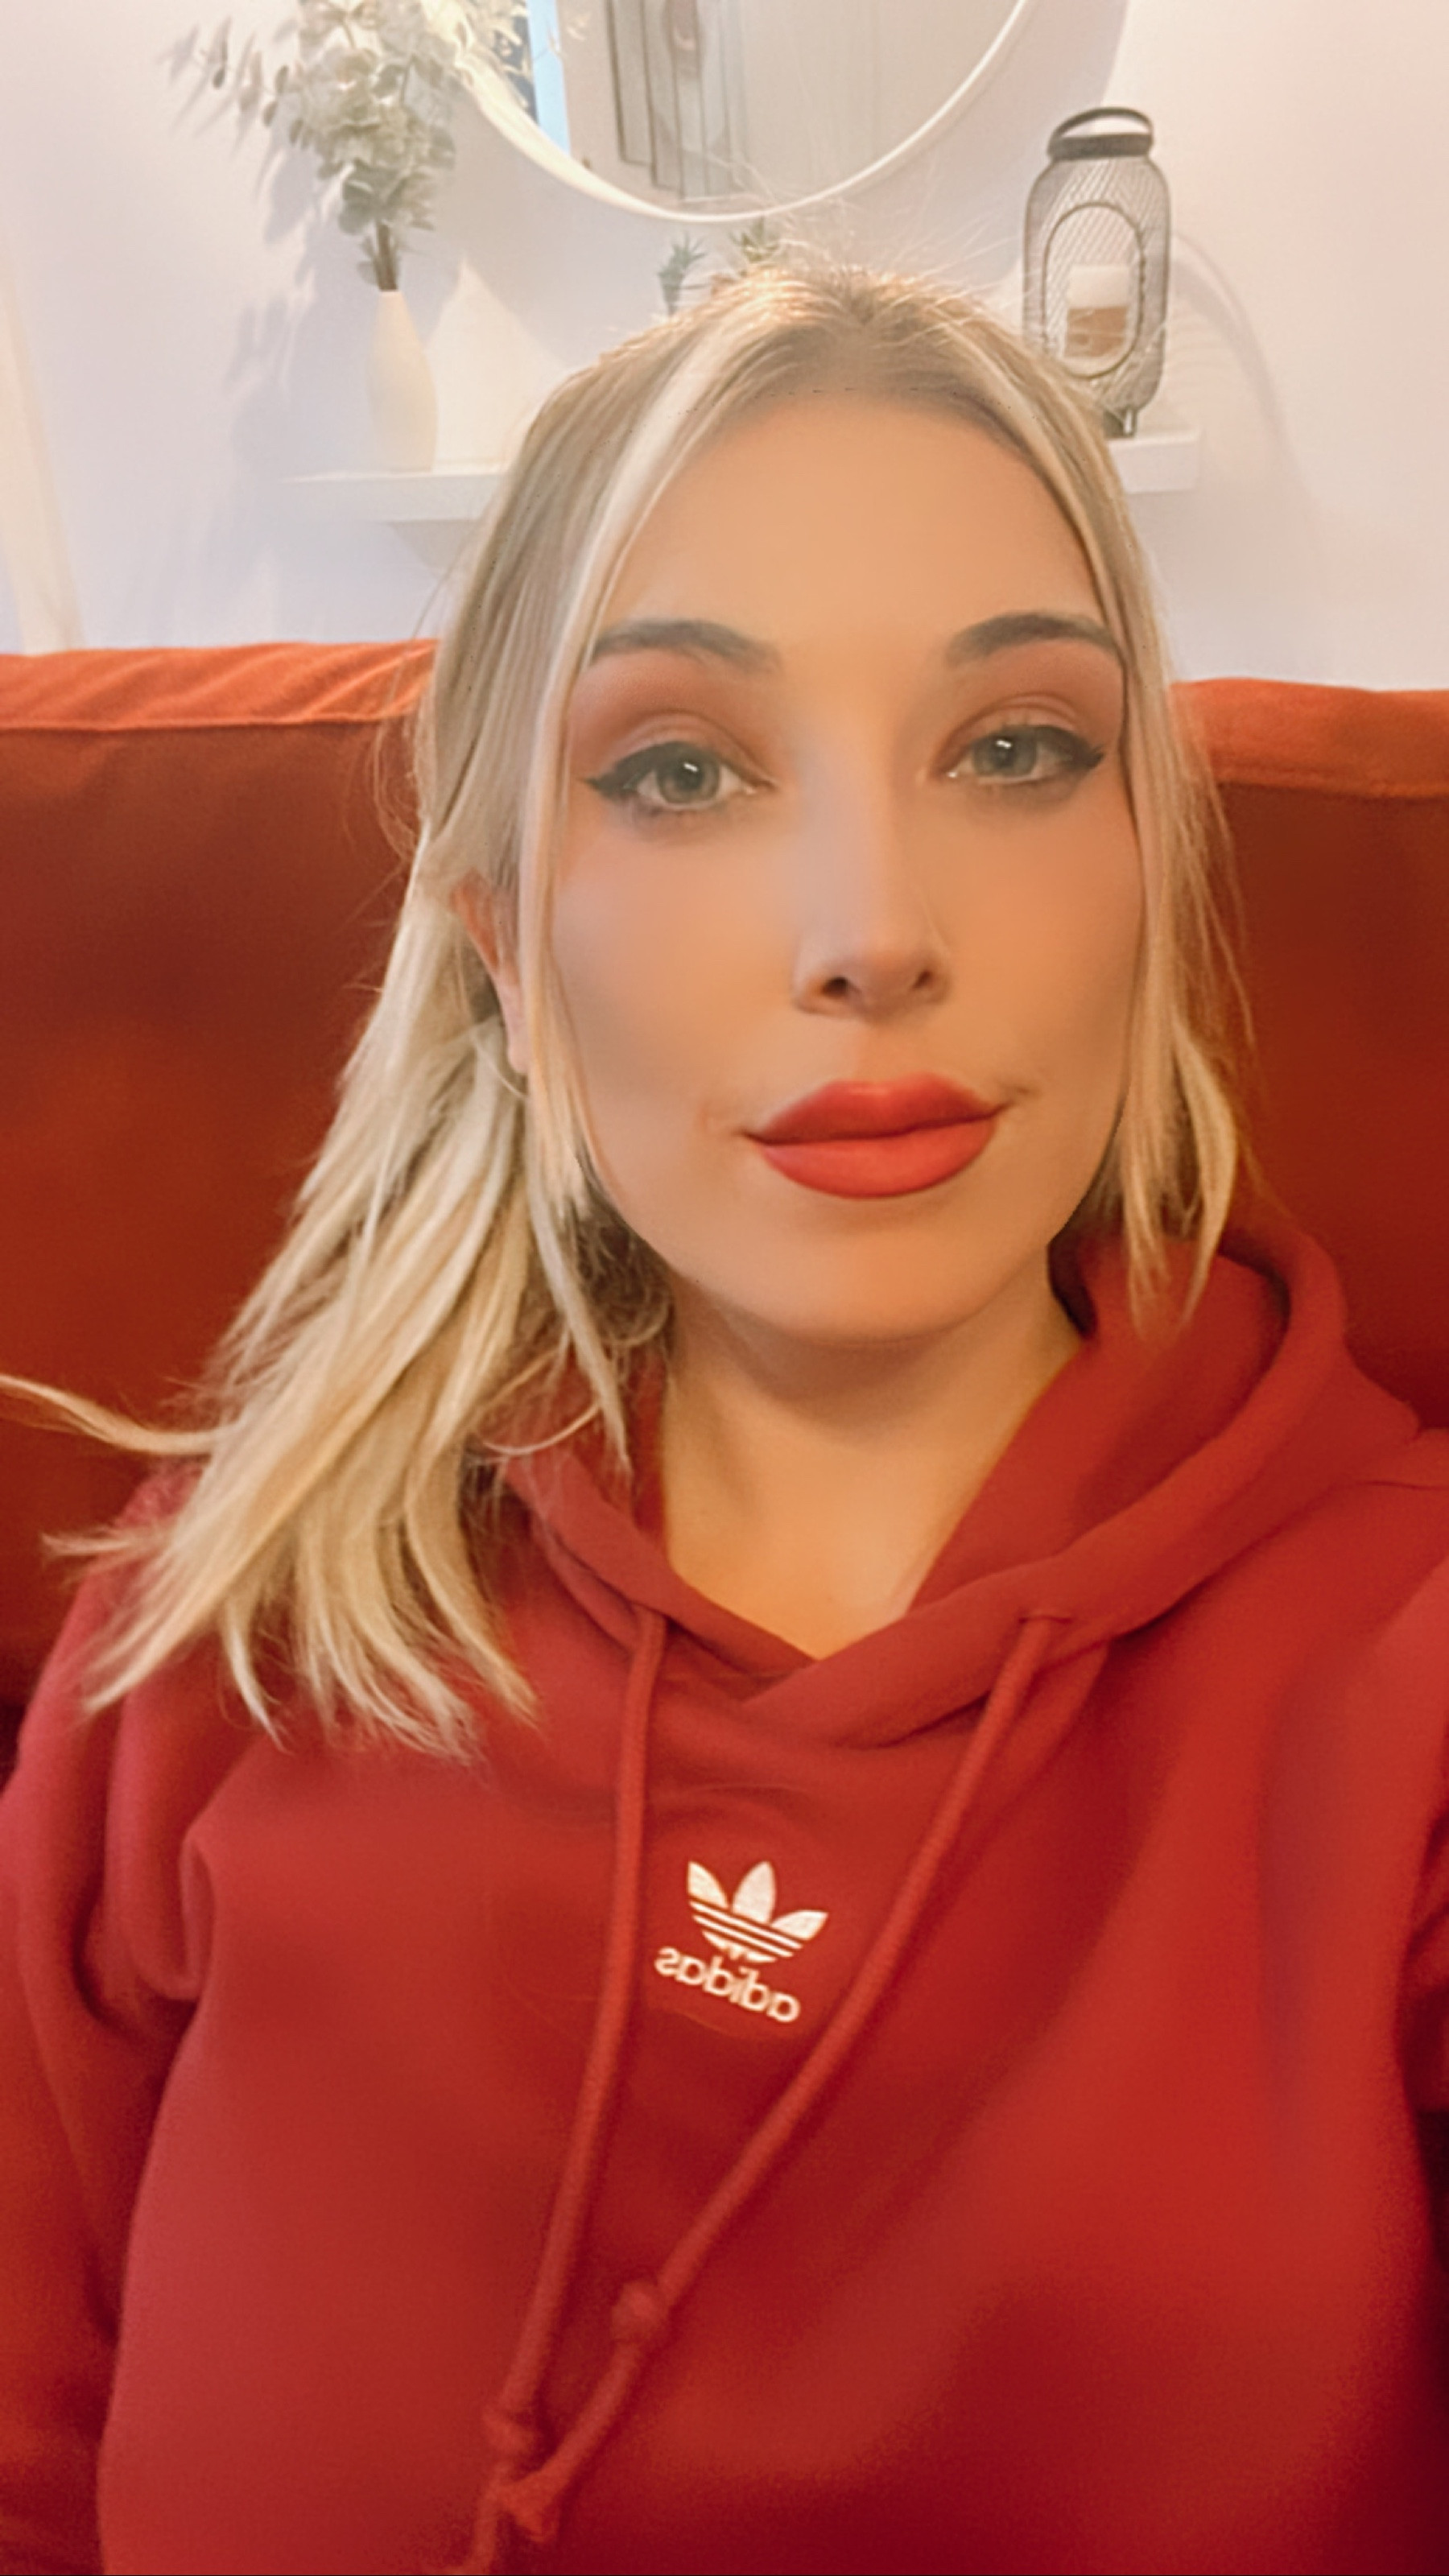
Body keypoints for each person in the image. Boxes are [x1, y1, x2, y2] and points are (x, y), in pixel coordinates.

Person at [3, 259, 1449, 2576]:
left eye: (1014, 750)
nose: (872, 929)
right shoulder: (218, 1631)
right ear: (503, 937)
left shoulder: (1405, 1674)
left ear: (1149, 873)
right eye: (680, 768)